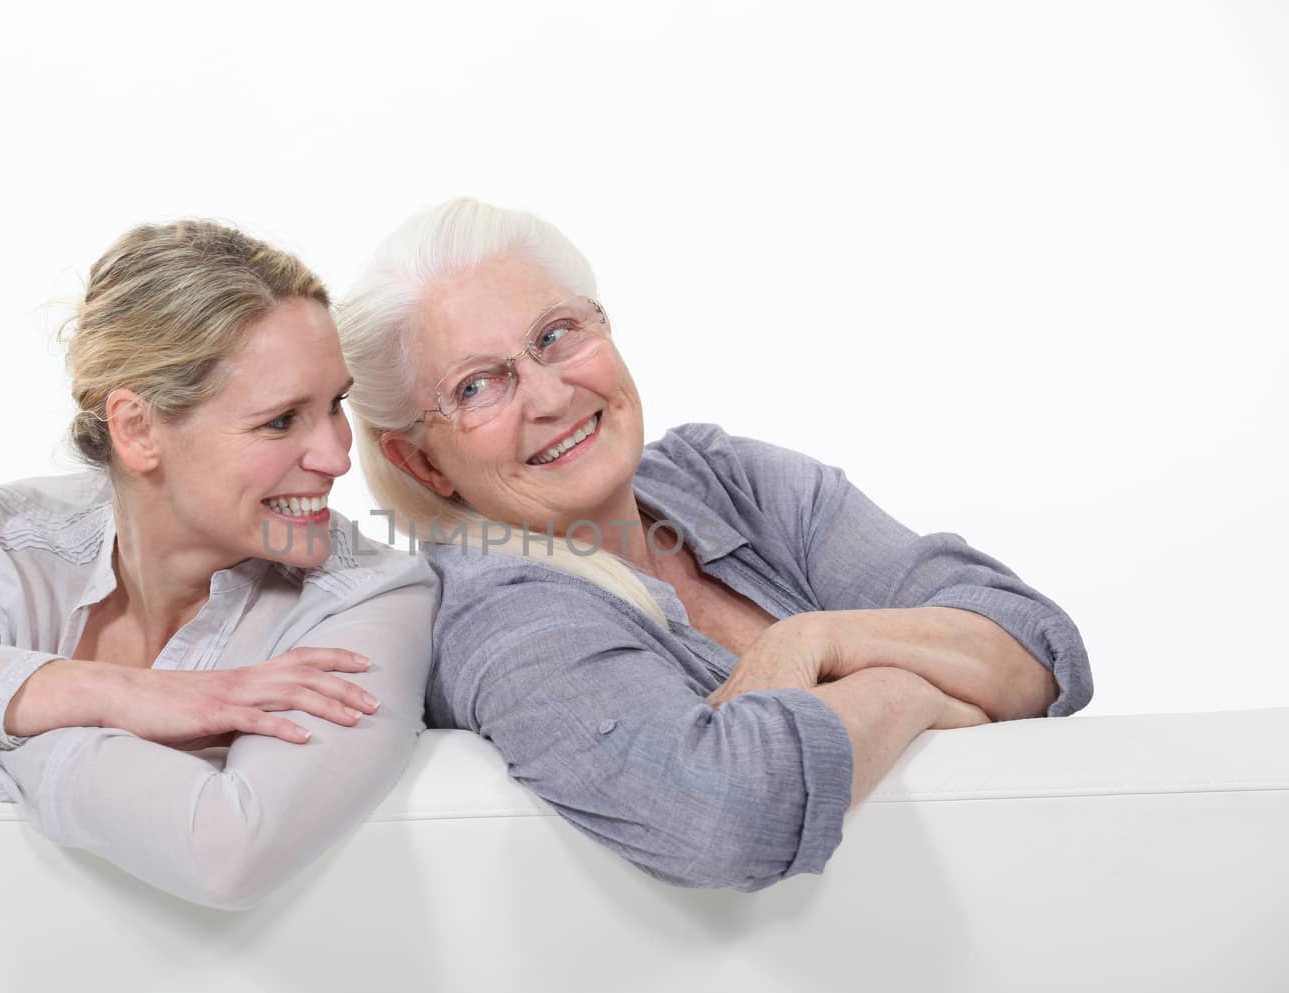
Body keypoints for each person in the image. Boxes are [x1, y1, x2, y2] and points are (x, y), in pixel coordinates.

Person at [337, 198, 1093, 893]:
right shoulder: (494, 619)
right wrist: (914, 689)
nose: (550, 395)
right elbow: (726, 815)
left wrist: (817, 640)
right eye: (477, 386)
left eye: (556, 334)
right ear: (422, 462)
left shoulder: (724, 475)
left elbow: (1038, 649)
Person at [0, 220, 437, 909]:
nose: (339, 456)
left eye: (336, 404)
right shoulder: (35, 550)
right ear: (137, 429)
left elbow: (228, 851)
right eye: (282, 419)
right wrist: (98, 691)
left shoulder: (368, 598)